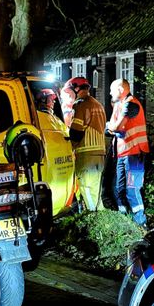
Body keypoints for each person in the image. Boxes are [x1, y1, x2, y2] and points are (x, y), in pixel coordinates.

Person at [105, 78, 150, 227]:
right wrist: (113, 128)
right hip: (123, 153)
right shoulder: (121, 105)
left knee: (132, 189)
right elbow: (109, 128)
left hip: (135, 153)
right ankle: (125, 223)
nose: (110, 93)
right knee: (119, 189)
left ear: (120, 89)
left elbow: (115, 127)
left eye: (112, 89)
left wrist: (113, 128)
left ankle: (140, 223)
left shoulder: (131, 104)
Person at [65, 77, 106, 211]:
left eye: (70, 91)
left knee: (87, 188)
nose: (69, 95)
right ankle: (102, 221)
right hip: (100, 153)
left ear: (77, 89)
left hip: (86, 153)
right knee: (96, 191)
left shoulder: (80, 104)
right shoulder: (98, 104)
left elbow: (76, 132)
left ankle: (93, 218)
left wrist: (68, 145)